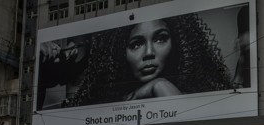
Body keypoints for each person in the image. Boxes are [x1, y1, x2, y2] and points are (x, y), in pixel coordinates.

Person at [67, 15, 233, 106]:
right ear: (118, 53)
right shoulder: (107, 106)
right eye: (136, 44)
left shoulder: (201, 97)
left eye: (160, 39)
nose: (149, 53)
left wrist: (160, 85)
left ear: (178, 44)